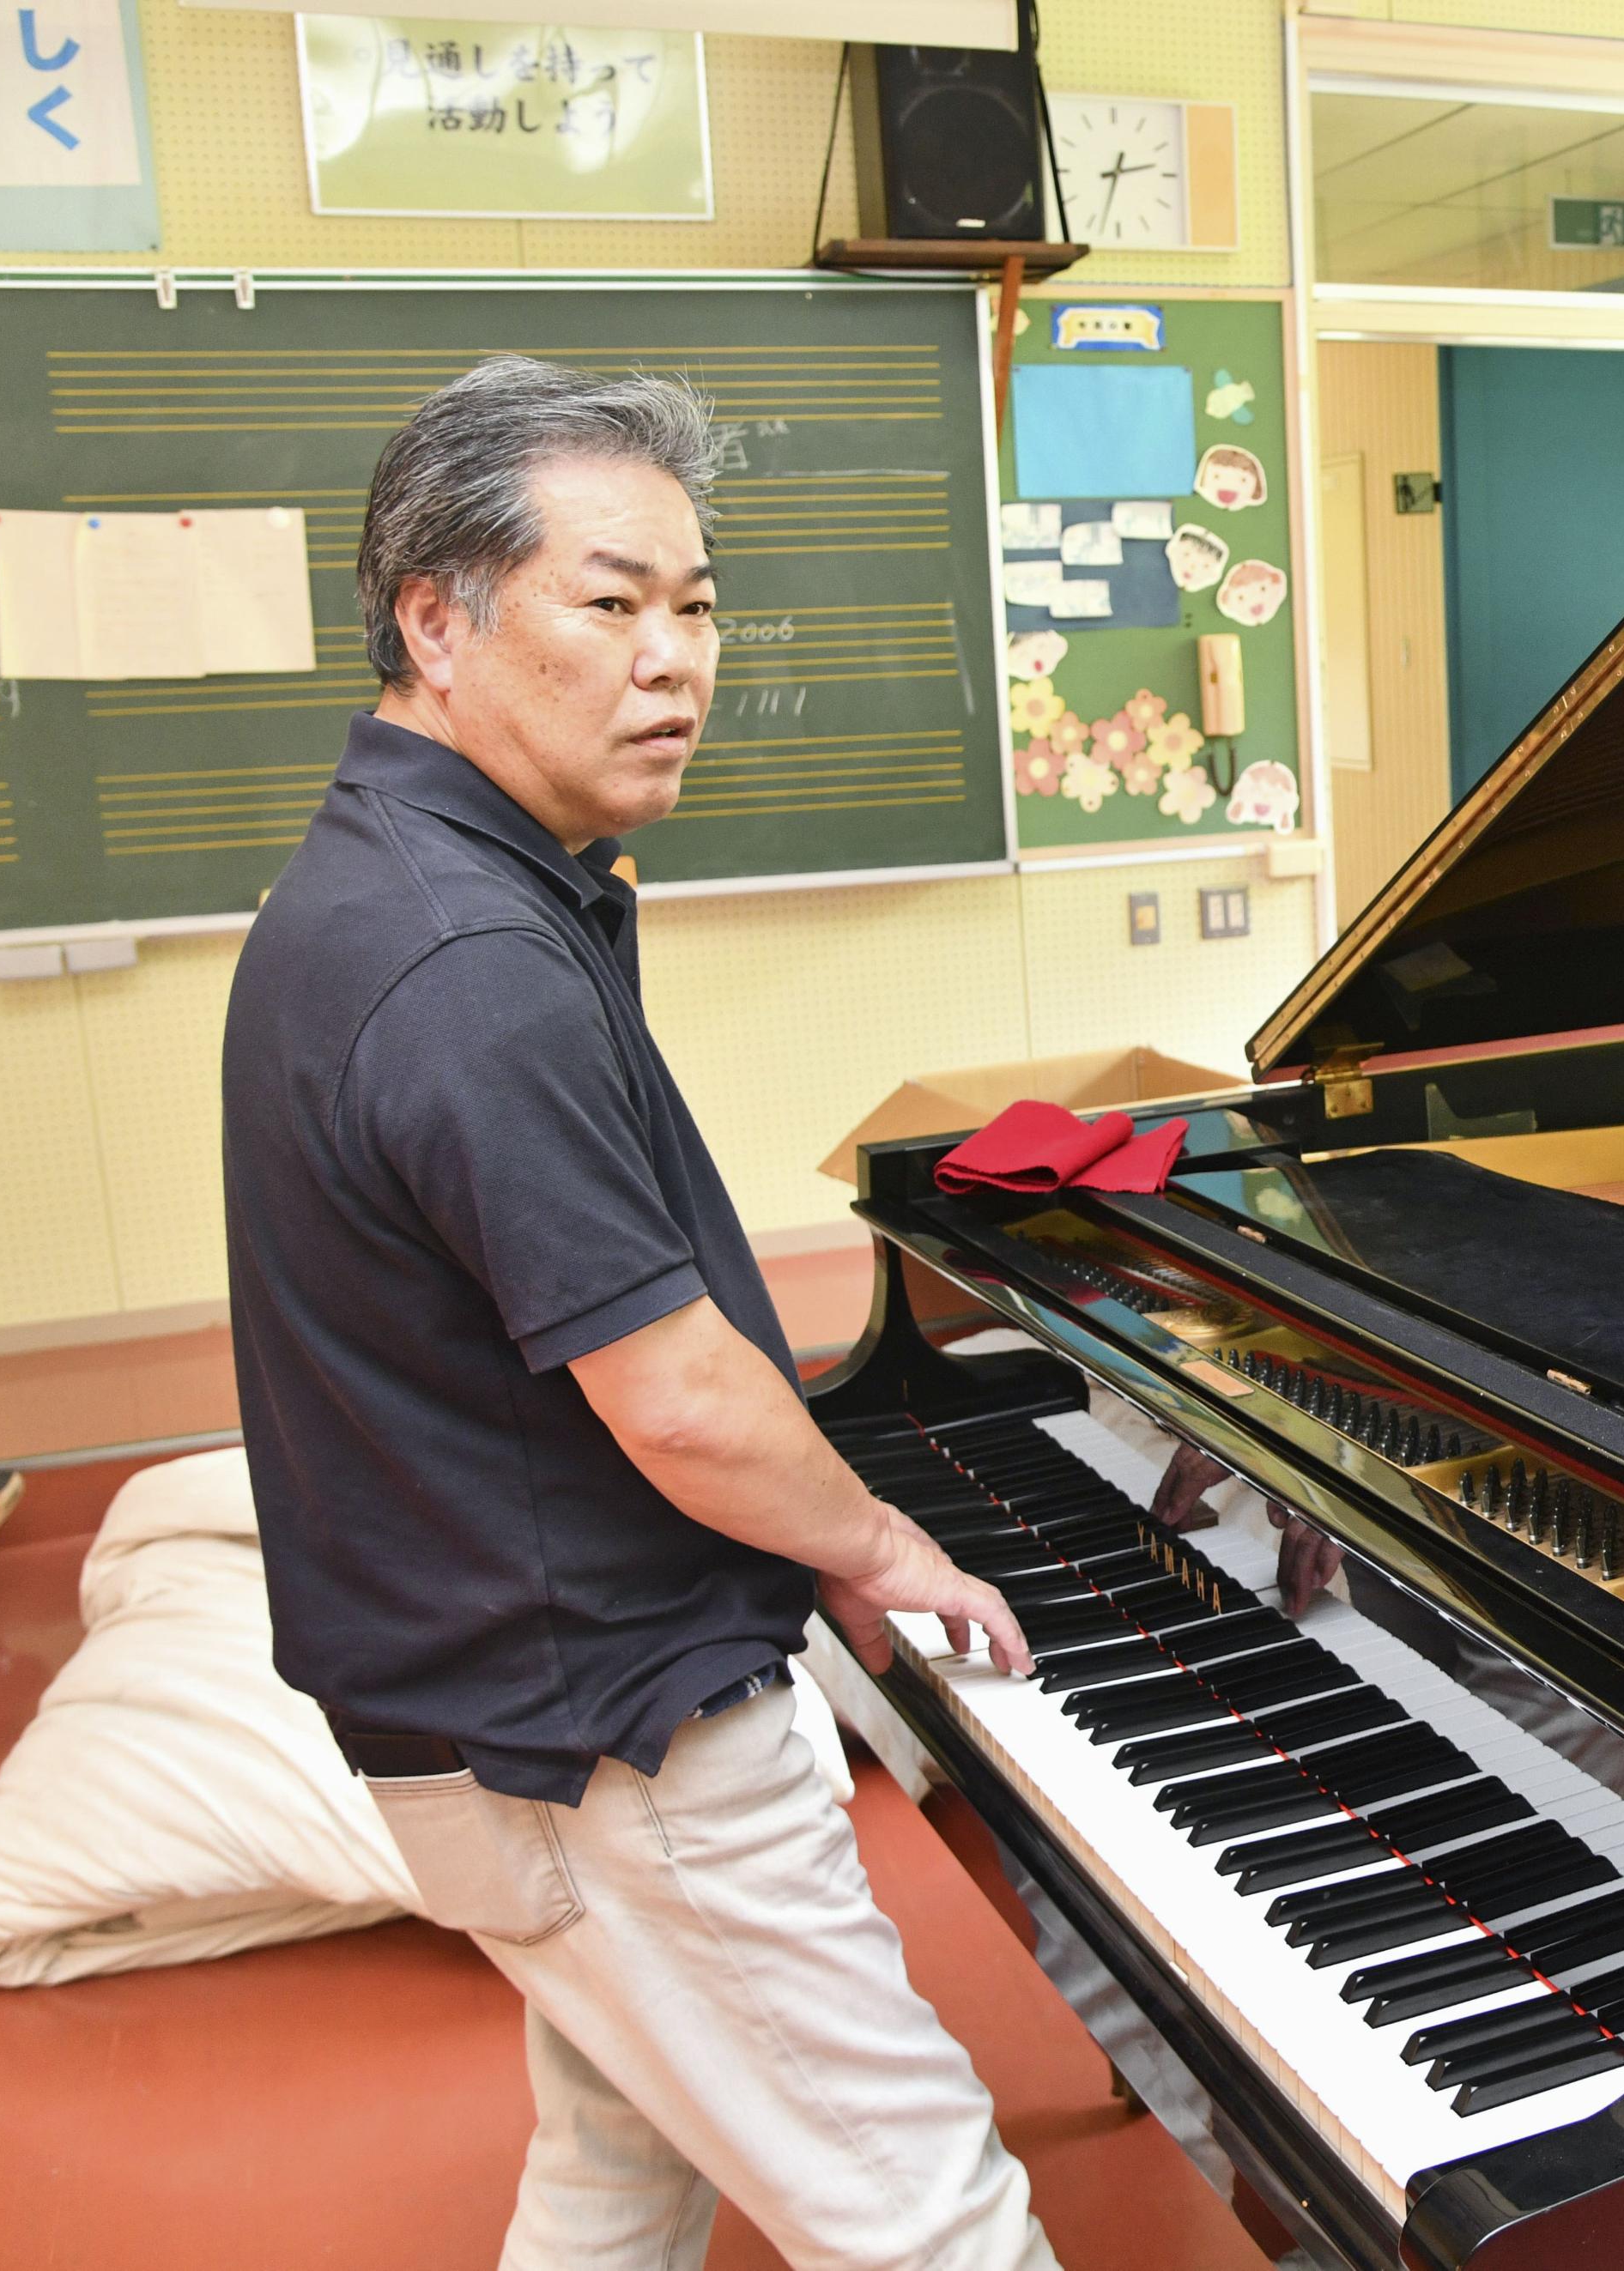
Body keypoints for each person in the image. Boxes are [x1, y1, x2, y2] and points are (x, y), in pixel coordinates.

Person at [222, 357, 1058, 2271]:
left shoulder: (416, 878)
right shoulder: (462, 960)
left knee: (617, 2164)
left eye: (696, 607)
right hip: (606, 1732)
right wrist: (869, 1542)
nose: (674, 661)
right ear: (437, 620)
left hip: (507, 1710)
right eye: (610, 604)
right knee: (930, 2214)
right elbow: (677, 1397)